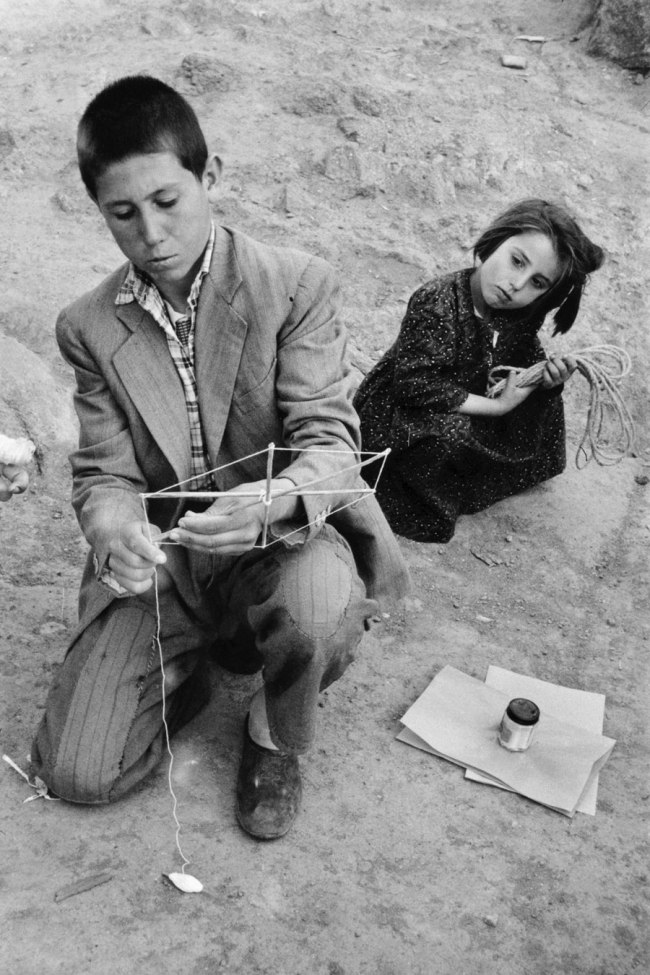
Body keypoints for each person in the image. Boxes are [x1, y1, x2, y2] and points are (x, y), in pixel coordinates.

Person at [31, 75, 409, 839]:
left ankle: (273, 729)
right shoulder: (87, 326)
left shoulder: (295, 284)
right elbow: (105, 475)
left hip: (282, 541)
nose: (150, 233)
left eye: (168, 201)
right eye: (123, 214)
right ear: (100, 212)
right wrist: (113, 531)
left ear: (211, 177)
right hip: (170, 566)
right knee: (77, 772)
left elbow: (332, 448)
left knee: (316, 610)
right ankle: (188, 668)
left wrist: (268, 504)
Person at [354, 199, 604, 543]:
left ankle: (471, 476)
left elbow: (521, 355)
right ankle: (428, 493)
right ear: (497, 240)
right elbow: (415, 388)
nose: (517, 284)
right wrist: (499, 406)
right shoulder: (437, 300)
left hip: (466, 392)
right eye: (517, 261)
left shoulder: (519, 311)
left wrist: (546, 377)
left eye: (537, 283)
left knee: (543, 399)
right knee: (448, 434)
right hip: (402, 408)